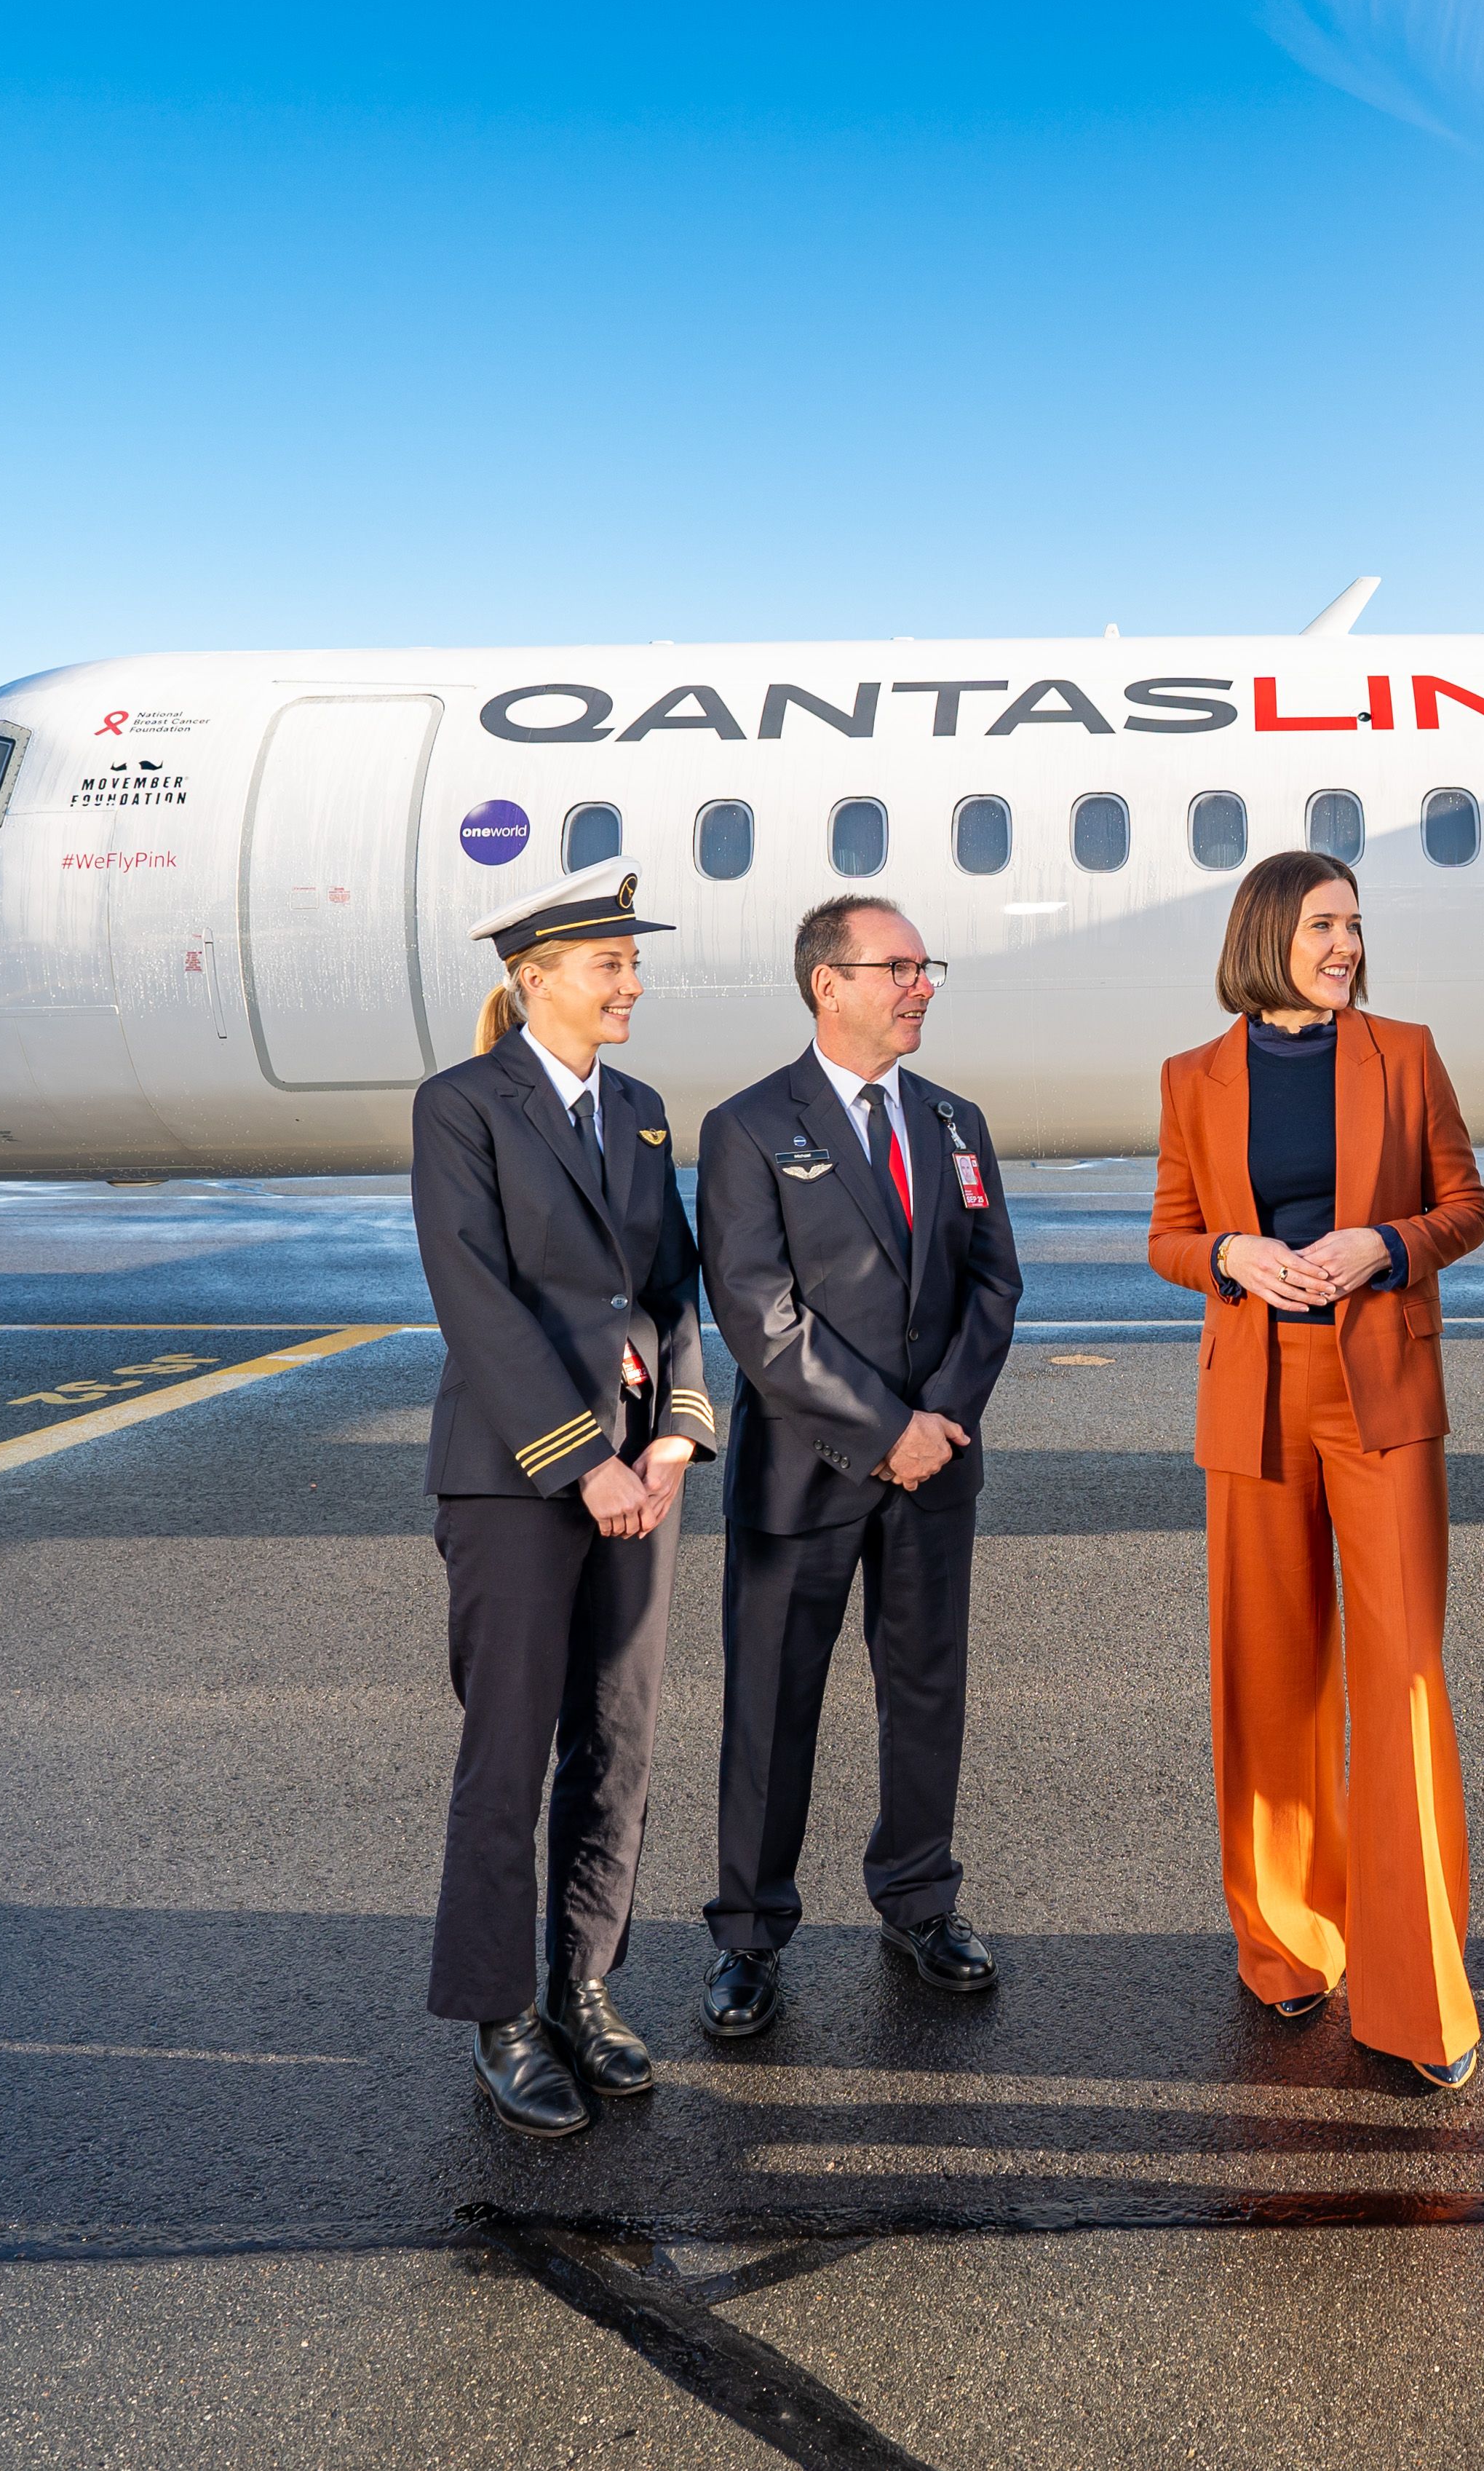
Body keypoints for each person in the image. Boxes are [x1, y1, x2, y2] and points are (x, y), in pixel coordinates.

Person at [1146, 851, 1484, 2086]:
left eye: (1353, 924)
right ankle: (1287, 1946)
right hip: (1252, 1398)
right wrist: (1233, 1254)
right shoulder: (1194, 1077)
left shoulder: (1404, 1052)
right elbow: (1168, 1237)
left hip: (1379, 1396)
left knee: (1397, 1683)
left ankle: (1418, 1998)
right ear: (1265, 938)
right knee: (1267, 1676)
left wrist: (1381, 1246)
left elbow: (1465, 1206)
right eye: (1322, 927)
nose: (1345, 945)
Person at [408, 859, 721, 2139]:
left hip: (637, 1480)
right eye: (610, 965)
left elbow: (671, 1291)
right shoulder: (461, 1107)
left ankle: (583, 1985)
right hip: (518, 1479)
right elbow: (474, 1295)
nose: (631, 982)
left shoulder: (639, 1109)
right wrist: (580, 1456)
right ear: (533, 980)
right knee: (510, 1752)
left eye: (631, 963)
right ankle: (502, 2018)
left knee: (619, 1739)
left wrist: (674, 1443)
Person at [691, 895, 1024, 2040]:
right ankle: (746, 1934)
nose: (921, 983)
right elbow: (755, 1311)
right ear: (828, 984)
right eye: (898, 967)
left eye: (926, 965)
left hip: (936, 1467)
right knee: (772, 1706)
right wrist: (886, 1429)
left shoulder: (955, 1121)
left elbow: (993, 1286)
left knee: (927, 1693)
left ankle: (920, 1902)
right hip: (807, 1472)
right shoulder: (746, 1128)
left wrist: (938, 1423)